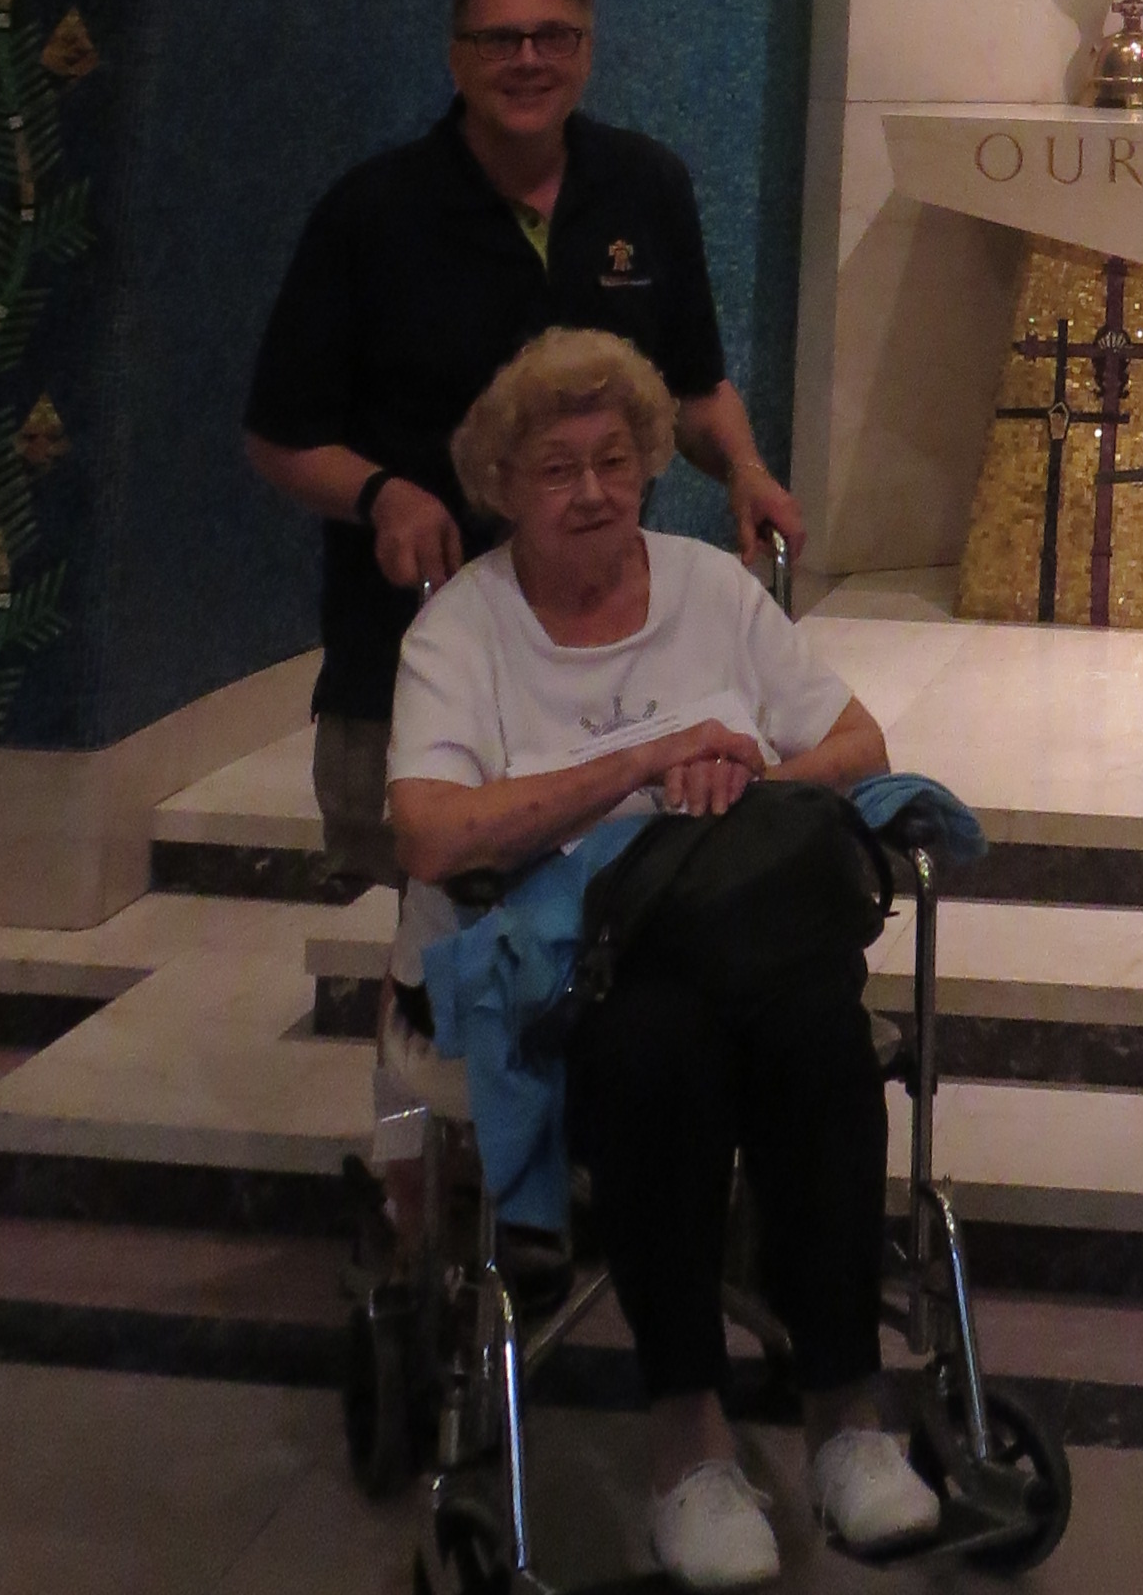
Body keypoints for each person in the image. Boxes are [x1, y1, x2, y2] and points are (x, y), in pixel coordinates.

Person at [390, 328, 937, 1586]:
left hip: (748, 942)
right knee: (660, 1045)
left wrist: (739, 778)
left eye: (615, 459)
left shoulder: (711, 590)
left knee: (818, 1035)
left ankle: (847, 1420)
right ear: (503, 485)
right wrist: (641, 762)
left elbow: (859, 744)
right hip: (580, 978)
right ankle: (687, 1446)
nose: (592, 490)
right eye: (557, 468)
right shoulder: (463, 630)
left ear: (646, 464)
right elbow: (429, 831)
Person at [245, 0, 806, 888]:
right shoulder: (371, 212)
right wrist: (384, 495)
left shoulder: (647, 186)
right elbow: (280, 434)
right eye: (500, 40)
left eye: (554, 37)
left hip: (609, 660)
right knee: (436, 930)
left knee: (629, 913)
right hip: (419, 643)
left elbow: (696, 387)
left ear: (587, 49)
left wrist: (746, 469)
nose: (529, 60)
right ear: (456, 57)